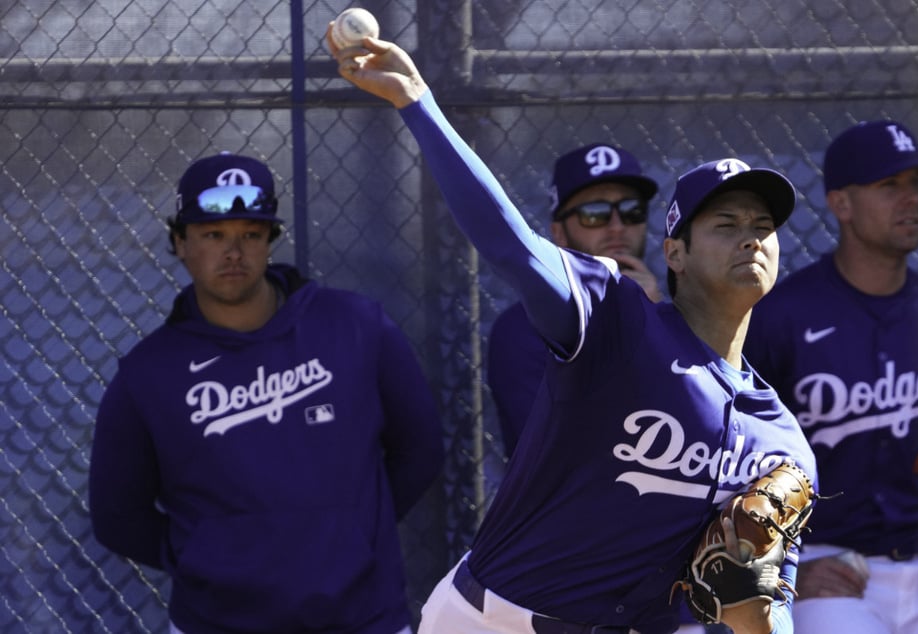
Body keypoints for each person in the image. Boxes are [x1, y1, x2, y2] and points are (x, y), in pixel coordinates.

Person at [330, 29, 817, 634]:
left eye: (763, 225)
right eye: (725, 222)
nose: (751, 236)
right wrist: (417, 102)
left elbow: (768, 614)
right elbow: (509, 244)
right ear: (676, 252)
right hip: (491, 620)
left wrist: (760, 614)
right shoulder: (615, 317)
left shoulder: (782, 444)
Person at [88, 152, 445, 634]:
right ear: (180, 243)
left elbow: (420, 449)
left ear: (270, 242)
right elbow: (117, 515)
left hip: (363, 618)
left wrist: (352, 533)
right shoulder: (148, 375)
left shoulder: (357, 326)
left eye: (250, 235)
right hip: (216, 623)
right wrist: (207, 556)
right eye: (213, 235)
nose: (233, 252)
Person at [744, 119, 918, 633]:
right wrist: (777, 570)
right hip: (828, 564)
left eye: (916, 185)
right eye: (889, 186)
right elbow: (731, 455)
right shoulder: (780, 318)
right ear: (840, 204)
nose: (911, 200)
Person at [488, 142, 663, 458]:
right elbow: (559, 450)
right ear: (560, 233)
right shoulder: (522, 327)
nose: (617, 227)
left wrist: (652, 318)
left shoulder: (673, 314)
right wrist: (635, 325)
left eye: (631, 211)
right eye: (594, 214)